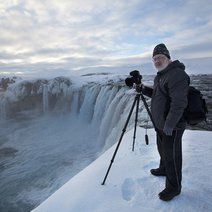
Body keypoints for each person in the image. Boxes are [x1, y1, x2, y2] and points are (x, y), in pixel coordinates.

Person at [142, 43, 190, 201]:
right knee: (163, 150)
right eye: (154, 58)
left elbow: (179, 104)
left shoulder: (176, 75)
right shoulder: (161, 76)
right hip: (161, 125)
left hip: (172, 126)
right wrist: (142, 89)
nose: (157, 61)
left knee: (172, 156)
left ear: (168, 59)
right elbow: (158, 96)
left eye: (160, 57)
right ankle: (163, 169)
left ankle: (174, 187)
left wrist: (169, 125)